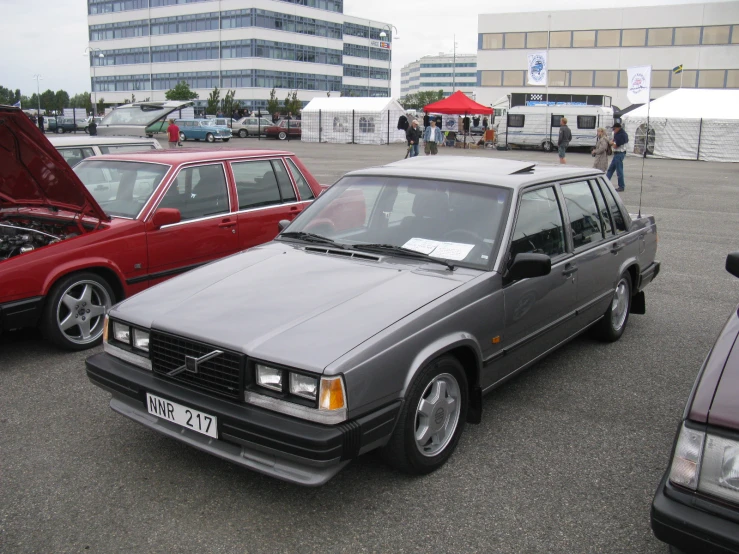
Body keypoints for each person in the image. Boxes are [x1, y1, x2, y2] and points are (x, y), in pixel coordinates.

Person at [607, 122, 629, 191]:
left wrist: (611, 143)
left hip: (619, 153)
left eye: (614, 129)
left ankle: (621, 186)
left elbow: (616, 146)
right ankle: (606, 183)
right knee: (610, 169)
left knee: (619, 170)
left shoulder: (620, 135)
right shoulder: (620, 134)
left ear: (618, 128)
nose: (613, 130)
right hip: (618, 154)